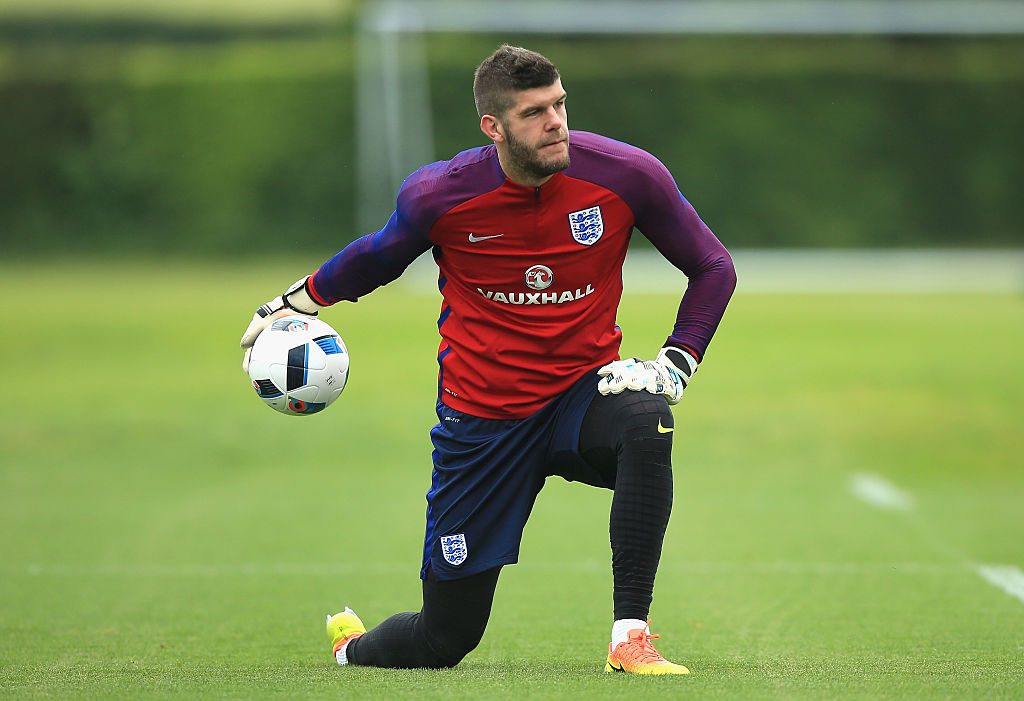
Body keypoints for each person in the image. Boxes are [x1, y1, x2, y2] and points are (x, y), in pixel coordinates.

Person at [240, 45, 736, 675]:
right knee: (443, 642)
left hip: (583, 397)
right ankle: (352, 648)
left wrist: (677, 360)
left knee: (646, 420)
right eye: (534, 113)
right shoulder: (438, 196)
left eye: (559, 104)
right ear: (493, 128)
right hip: (484, 422)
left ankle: (629, 637)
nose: (556, 122)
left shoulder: (626, 175)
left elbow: (714, 265)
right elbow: (378, 255)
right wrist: (294, 301)